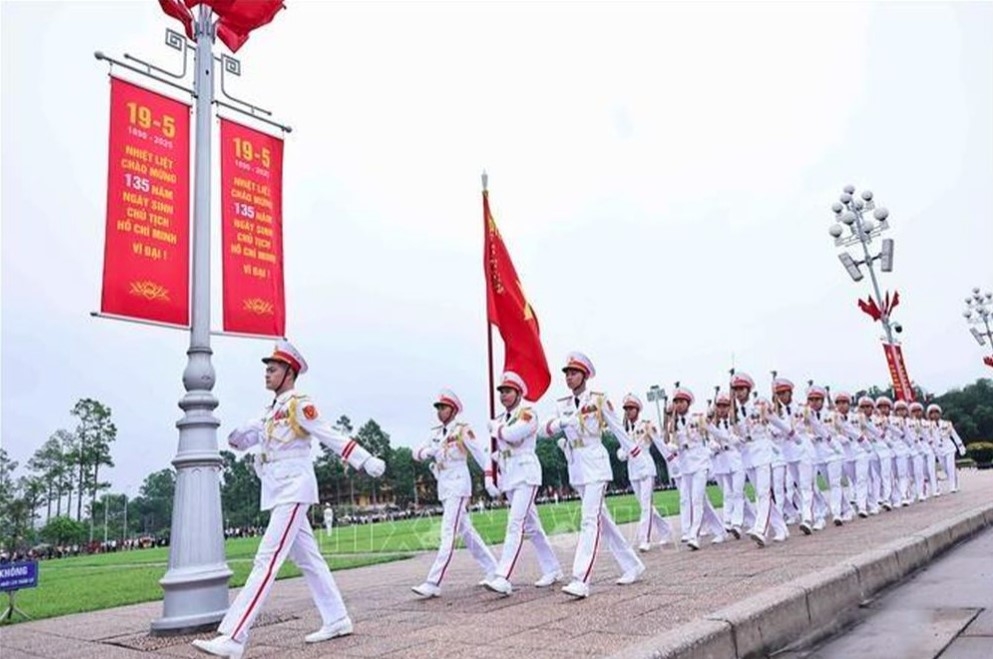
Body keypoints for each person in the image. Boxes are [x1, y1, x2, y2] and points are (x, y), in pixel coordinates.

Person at [193, 340, 386, 659]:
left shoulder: (299, 404)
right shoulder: (270, 411)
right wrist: (239, 434)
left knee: (265, 561)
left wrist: (364, 460)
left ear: (289, 373)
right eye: (266, 369)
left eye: (273, 369)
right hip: (277, 488)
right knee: (309, 559)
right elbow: (242, 439)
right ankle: (337, 618)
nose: (266, 374)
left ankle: (233, 636)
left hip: (294, 488)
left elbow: (328, 434)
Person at [539, 352, 645, 599]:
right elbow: (544, 430)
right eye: (566, 373)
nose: (569, 377)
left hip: (596, 463)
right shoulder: (562, 404)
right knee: (603, 521)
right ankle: (632, 564)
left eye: (574, 373)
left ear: (584, 375)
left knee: (589, 520)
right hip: (577, 466)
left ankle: (581, 578)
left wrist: (634, 451)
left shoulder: (598, 400)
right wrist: (559, 425)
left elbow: (617, 427)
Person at [410, 389, 498, 598]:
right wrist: (427, 452)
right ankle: (493, 569)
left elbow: (479, 453)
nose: (440, 412)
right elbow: (416, 452)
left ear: (453, 410)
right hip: (444, 485)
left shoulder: (461, 430)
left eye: (443, 407)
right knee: (467, 532)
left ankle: (433, 581)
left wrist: (490, 476)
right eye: (438, 408)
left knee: (447, 532)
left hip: (458, 484)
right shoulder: (435, 433)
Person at [483, 372, 563, 595]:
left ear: (518, 393)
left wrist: (496, 429)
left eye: (507, 391)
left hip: (526, 474)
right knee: (532, 527)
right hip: (510, 475)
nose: (503, 396)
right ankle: (552, 568)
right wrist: (490, 476)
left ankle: (503, 576)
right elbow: (495, 451)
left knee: (515, 523)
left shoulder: (528, 413)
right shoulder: (501, 419)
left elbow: (514, 435)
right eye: (501, 392)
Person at [617, 393, 673, 551]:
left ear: (637, 410)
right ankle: (665, 530)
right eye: (626, 409)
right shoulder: (625, 429)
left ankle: (644, 539)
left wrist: (671, 459)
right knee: (645, 505)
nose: (628, 412)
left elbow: (659, 443)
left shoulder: (646, 425)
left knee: (646, 506)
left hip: (646, 467)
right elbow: (622, 450)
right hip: (633, 469)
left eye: (631, 409)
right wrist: (621, 453)